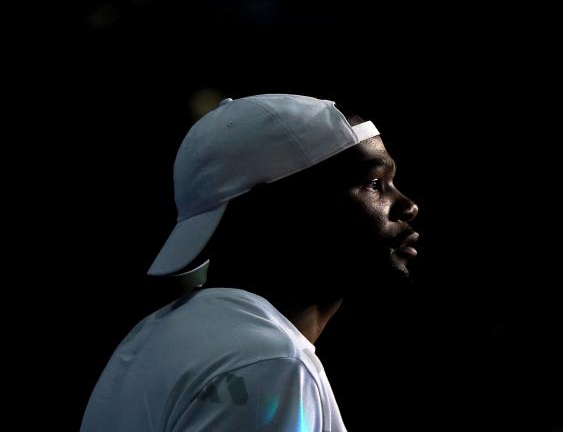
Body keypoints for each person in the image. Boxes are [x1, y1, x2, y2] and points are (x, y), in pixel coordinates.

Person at [80, 94, 420, 432]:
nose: (408, 206)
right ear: (275, 213)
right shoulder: (269, 360)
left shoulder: (155, 336)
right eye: (374, 184)